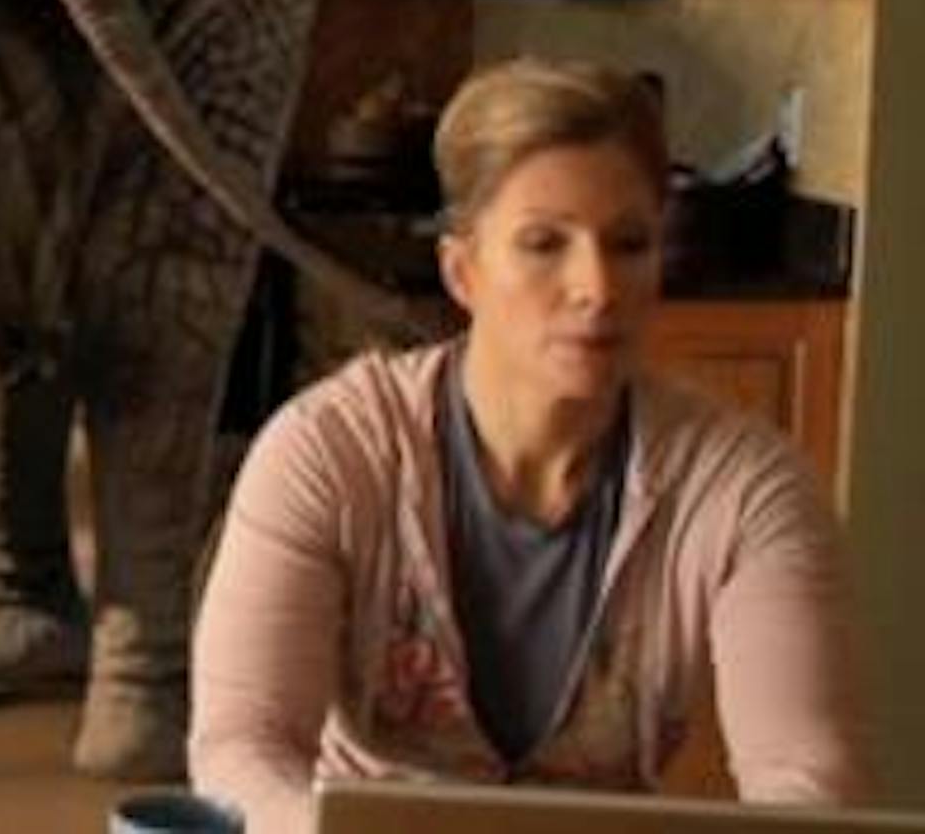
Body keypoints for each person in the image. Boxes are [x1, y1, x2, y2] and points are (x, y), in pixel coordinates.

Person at [188, 57, 868, 833]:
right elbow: (242, 751)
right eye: (545, 243)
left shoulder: (745, 489)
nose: (597, 288)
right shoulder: (329, 453)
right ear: (463, 271)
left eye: (629, 244)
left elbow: (811, 791)